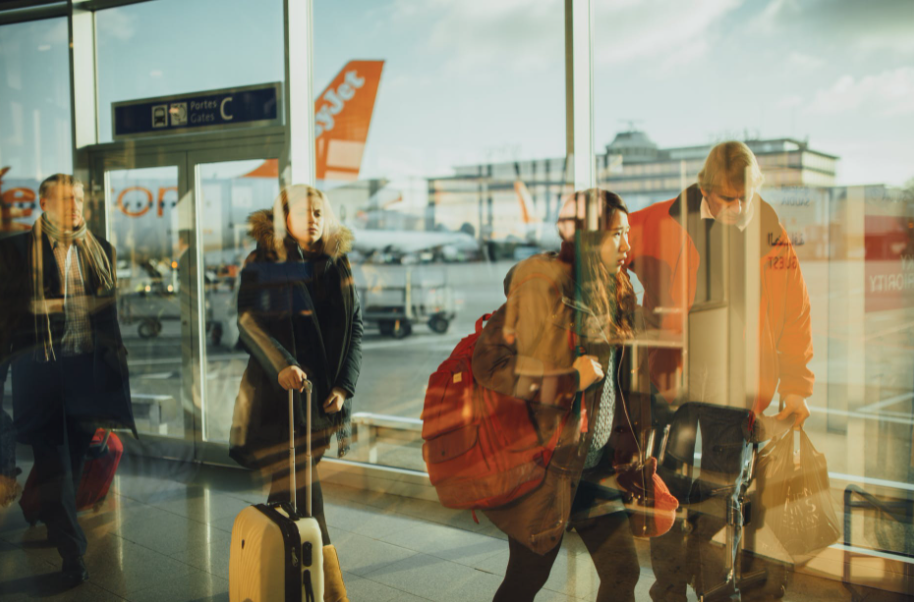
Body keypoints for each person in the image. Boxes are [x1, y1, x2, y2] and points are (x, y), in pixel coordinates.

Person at [624, 142, 814, 601]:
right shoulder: (662, 220)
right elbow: (602, 248)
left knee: (718, 494)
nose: (735, 208)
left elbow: (795, 313)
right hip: (674, 386)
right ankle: (668, 589)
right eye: (725, 199)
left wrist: (796, 386)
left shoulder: (770, 232)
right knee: (665, 489)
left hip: (734, 389)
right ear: (705, 190)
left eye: (743, 198)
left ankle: (700, 572)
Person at [473, 189, 644, 602]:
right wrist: (568, 379)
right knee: (525, 581)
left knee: (623, 571)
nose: (627, 245)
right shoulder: (544, 290)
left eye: (627, 233)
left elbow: (623, 382)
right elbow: (489, 364)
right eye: (616, 234)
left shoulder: (619, 292)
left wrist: (637, 444)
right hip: (548, 470)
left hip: (595, 467)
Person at [0, 174, 136, 584]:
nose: (75, 205)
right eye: (64, 199)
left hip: (86, 372)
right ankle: (71, 551)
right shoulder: (16, 252)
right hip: (39, 373)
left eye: (79, 198)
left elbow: (106, 318)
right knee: (53, 460)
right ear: (44, 203)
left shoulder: (101, 250)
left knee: (76, 461)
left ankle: (49, 512)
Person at [230, 184, 362, 602]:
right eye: (304, 211)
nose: (313, 218)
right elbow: (249, 322)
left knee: (288, 495)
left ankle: (268, 573)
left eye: (319, 211)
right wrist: (283, 362)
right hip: (280, 399)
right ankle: (329, 592)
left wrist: (344, 386)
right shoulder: (263, 262)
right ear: (282, 217)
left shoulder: (338, 264)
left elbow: (356, 326)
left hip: (323, 403)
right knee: (305, 493)